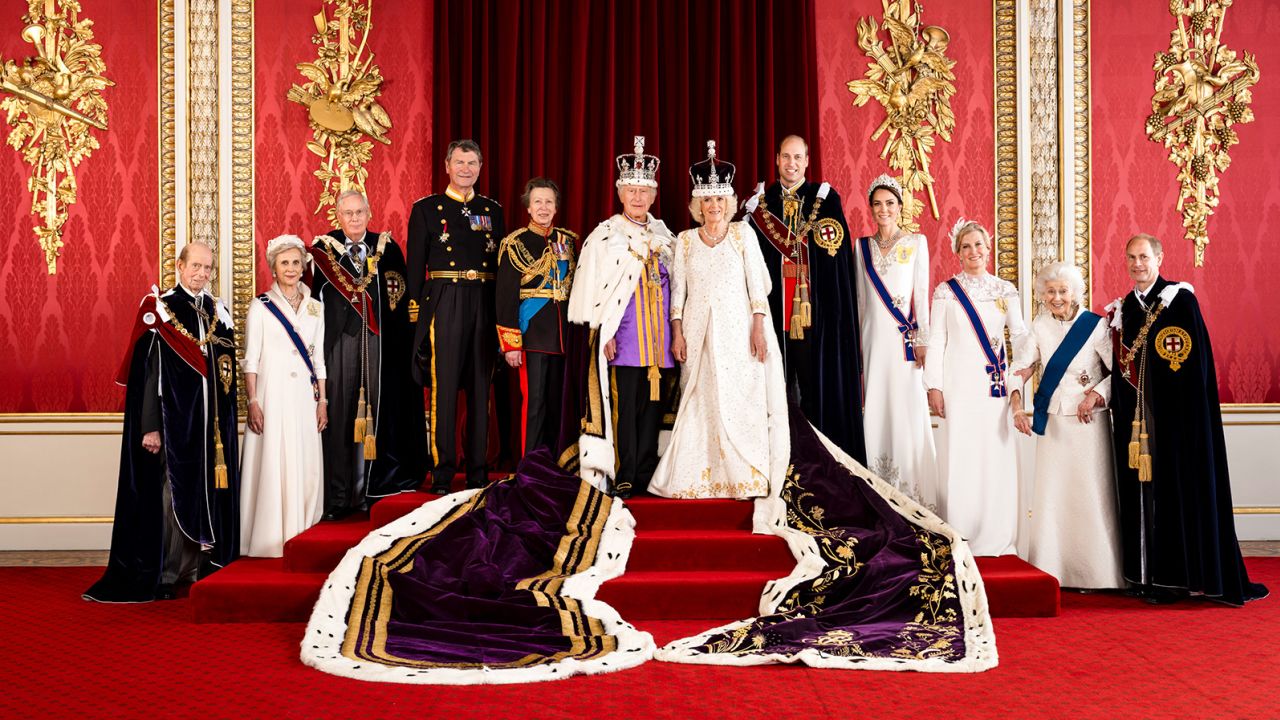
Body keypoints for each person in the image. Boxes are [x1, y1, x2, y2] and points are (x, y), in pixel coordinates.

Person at [1108, 233, 1267, 605]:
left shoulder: (1179, 301)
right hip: (1136, 425)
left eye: (1144, 256)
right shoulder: (1124, 309)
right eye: (1131, 257)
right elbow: (1120, 368)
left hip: (1177, 423)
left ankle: (1176, 581)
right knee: (1139, 497)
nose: (1137, 264)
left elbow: (1193, 367)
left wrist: (1173, 412)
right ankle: (1143, 577)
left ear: (1159, 258)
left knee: (1173, 494)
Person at [84, 242, 239, 602]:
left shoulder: (215, 311)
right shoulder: (161, 309)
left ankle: (197, 568)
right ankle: (168, 573)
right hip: (174, 425)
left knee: (203, 494)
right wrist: (150, 426)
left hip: (208, 429)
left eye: (208, 268)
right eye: (195, 266)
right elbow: (148, 374)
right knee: (174, 495)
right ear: (180, 266)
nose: (202, 274)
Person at [650, 141, 787, 500]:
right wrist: (677, 333)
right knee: (701, 399)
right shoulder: (686, 241)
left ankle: (743, 474)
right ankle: (699, 476)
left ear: (729, 202)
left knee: (740, 397)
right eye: (707, 200)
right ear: (698, 204)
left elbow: (759, 288)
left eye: (720, 200)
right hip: (697, 332)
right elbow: (677, 293)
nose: (714, 206)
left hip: (739, 331)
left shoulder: (743, 235)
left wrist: (758, 326)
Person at [745, 135, 866, 463]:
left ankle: (817, 460)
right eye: (786, 157)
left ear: (807, 161)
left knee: (814, 391)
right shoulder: (761, 205)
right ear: (777, 160)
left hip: (814, 314)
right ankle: (778, 459)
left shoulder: (825, 200)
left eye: (798, 157)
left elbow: (836, 259)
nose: (791, 164)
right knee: (776, 391)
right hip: (773, 314)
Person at [567, 135, 676, 498]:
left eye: (644, 192)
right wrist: (604, 332)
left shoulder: (666, 237)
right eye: (631, 190)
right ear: (620, 192)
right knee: (624, 408)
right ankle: (624, 472)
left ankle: (647, 471)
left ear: (654, 195)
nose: (638, 198)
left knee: (652, 409)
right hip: (625, 338)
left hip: (660, 343)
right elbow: (594, 291)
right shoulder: (606, 236)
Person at [311, 190, 424, 520]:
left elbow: (399, 303)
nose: (355, 218)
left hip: (380, 345)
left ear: (370, 212)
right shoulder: (323, 250)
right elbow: (315, 304)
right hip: (340, 345)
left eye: (360, 211)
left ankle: (372, 490)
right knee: (343, 418)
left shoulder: (387, 249)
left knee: (376, 416)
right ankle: (339, 496)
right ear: (338, 216)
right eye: (348, 213)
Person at [1009, 262, 1121, 589]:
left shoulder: (1097, 326)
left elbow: (1119, 373)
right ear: (1042, 296)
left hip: (1089, 422)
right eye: (1050, 292)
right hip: (1056, 421)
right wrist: (1017, 403)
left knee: (1090, 493)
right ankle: (1055, 569)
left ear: (1075, 291)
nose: (1057, 297)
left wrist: (1098, 395)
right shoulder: (1040, 326)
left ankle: (1100, 573)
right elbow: (1022, 366)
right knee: (1055, 496)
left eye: (1063, 290)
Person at [407, 139, 506, 494]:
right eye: (460, 162)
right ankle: (443, 473)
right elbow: (415, 269)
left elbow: (500, 267)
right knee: (444, 389)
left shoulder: (492, 210)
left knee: (482, 389)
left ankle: (478, 471)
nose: (466, 169)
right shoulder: (427, 210)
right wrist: (418, 318)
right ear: (447, 166)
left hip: (483, 298)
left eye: (472, 163)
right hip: (444, 300)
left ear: (480, 168)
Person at [924, 219, 1026, 557]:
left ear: (989, 248)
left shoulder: (1005, 289)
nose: (973, 252)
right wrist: (934, 386)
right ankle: (962, 530)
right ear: (957, 252)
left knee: (993, 456)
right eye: (966, 246)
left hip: (994, 389)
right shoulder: (945, 291)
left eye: (979, 245)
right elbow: (936, 341)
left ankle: (996, 533)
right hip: (958, 385)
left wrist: (1022, 372)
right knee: (962, 455)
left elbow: (1021, 336)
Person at [240, 235, 328, 557]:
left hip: (305, 399)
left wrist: (322, 401)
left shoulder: (316, 308)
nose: (291, 269)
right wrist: (253, 401)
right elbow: (251, 358)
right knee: (274, 461)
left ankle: (302, 535)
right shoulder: (260, 306)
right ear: (274, 269)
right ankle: (269, 538)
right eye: (284, 263)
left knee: (304, 462)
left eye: (296, 262)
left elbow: (318, 359)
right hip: (272, 395)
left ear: (304, 266)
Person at [854, 173, 938, 509]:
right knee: (876, 407)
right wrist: (859, 346)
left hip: (905, 345)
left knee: (905, 411)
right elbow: (861, 301)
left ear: (900, 207)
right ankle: (878, 489)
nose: (883, 209)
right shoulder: (861, 247)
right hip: (874, 342)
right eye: (877, 204)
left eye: (890, 203)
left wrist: (923, 340)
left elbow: (922, 296)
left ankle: (912, 493)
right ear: (871, 209)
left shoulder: (916, 243)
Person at [496, 178, 577, 456]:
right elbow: (505, 297)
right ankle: (530, 465)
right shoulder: (514, 243)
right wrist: (511, 344)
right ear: (528, 208)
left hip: (563, 336)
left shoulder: (567, 241)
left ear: (556, 207)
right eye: (538, 202)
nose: (543, 207)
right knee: (535, 403)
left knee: (559, 404)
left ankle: (556, 461)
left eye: (549, 202)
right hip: (531, 335)